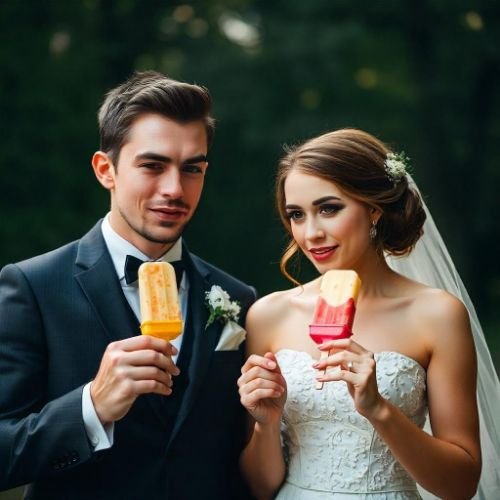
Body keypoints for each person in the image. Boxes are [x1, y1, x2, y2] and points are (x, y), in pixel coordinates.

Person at [0, 71, 256, 499]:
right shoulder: (32, 286)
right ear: (106, 170)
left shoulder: (240, 298)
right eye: (153, 166)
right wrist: (91, 407)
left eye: (192, 169)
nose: (175, 189)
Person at [238, 128, 500, 499]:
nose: (310, 233)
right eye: (296, 214)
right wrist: (266, 423)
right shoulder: (268, 315)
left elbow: (460, 484)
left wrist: (378, 409)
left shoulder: (437, 315)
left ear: (374, 209)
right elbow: (260, 487)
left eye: (329, 208)